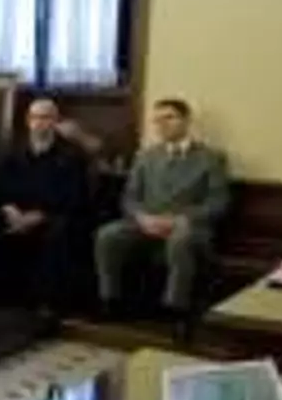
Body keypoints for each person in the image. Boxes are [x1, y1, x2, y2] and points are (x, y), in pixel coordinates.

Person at [95, 98, 229, 317]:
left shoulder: (211, 158)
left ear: (186, 120)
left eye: (169, 118)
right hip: (147, 222)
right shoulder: (146, 156)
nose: (162, 125)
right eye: (157, 120)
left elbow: (217, 202)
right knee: (107, 234)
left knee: (180, 240)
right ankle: (110, 300)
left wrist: (180, 220)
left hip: (188, 225)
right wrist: (142, 218)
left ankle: (175, 308)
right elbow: (130, 197)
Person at [0, 99, 89, 311]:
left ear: (55, 121)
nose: (40, 123)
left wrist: (40, 215)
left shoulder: (71, 155)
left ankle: (46, 300)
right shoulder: (13, 151)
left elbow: (74, 195)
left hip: (52, 213)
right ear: (28, 121)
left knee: (59, 232)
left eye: (46, 117)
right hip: (15, 211)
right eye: (35, 117)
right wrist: (9, 208)